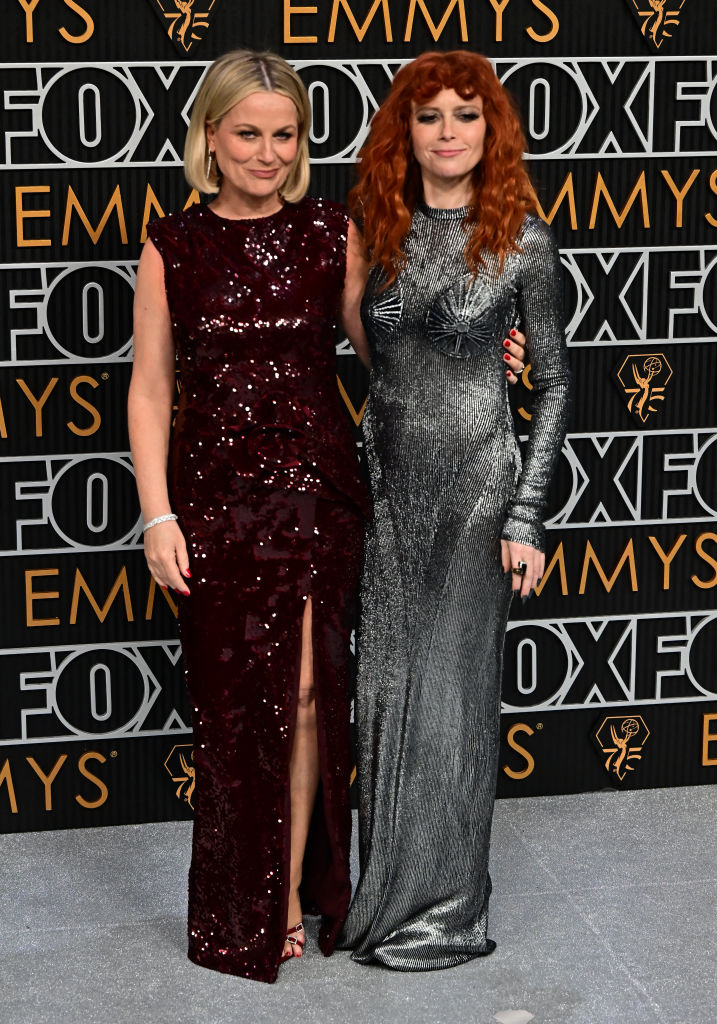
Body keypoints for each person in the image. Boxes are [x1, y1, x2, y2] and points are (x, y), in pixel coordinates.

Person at [128, 49, 528, 983]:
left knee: (310, 701)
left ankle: (289, 897)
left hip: (317, 495)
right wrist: (156, 517)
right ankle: (246, 897)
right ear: (211, 140)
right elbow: (149, 392)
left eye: (284, 135)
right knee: (235, 715)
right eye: (247, 135)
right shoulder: (170, 247)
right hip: (216, 505)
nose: (266, 154)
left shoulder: (329, 234)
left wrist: (477, 358)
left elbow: (386, 352)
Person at [338, 50, 571, 971]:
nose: (446, 132)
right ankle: (380, 899)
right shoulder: (374, 228)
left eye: (464, 116)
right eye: (428, 115)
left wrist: (526, 516)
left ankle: (444, 915)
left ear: (491, 131)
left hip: (479, 486)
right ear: (405, 130)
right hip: (385, 486)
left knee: (453, 704)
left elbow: (550, 384)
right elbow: (371, 355)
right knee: (384, 700)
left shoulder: (523, 243)